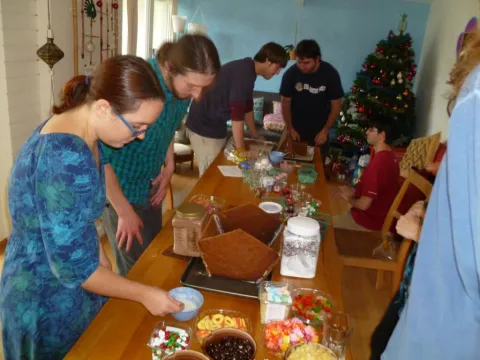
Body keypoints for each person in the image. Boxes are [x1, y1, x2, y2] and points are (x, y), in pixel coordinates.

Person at [0, 55, 185, 360]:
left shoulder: (87, 133)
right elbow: (75, 269)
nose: (141, 137)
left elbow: (80, 221)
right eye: (138, 126)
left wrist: (105, 265)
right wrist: (143, 293)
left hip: (72, 279)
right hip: (45, 297)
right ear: (103, 108)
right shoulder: (63, 161)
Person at [381, 30, 480, 359]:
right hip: (421, 301)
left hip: (442, 330)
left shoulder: (476, 99)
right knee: (381, 337)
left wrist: (423, 232)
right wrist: (428, 207)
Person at [102, 35, 220, 276]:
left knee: (154, 254)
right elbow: (98, 159)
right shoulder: (138, 84)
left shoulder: (180, 90)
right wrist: (124, 211)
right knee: (134, 270)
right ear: (168, 69)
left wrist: (169, 165)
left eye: (203, 87)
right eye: (191, 86)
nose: (197, 96)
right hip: (119, 189)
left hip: (150, 183)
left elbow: (168, 127)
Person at [186, 42, 289, 176]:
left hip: (215, 127)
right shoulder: (244, 73)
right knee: (209, 177)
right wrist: (242, 152)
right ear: (268, 61)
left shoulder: (248, 71)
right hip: (202, 128)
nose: (278, 72)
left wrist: (254, 134)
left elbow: (247, 107)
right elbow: (237, 116)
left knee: (219, 173)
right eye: (277, 67)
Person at [370, 200, 427, 360]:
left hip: (439, 306)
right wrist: (423, 206)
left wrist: (420, 234)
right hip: (411, 289)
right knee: (381, 341)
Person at [280, 39, 344, 162]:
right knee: (293, 165)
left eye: (307, 63)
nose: (302, 66)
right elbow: (285, 103)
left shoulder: (330, 74)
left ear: (317, 59)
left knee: (317, 167)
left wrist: (325, 130)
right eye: (299, 62)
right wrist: (290, 128)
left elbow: (336, 105)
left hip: (320, 131)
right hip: (296, 129)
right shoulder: (290, 74)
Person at [333, 117, 400, 231]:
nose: (366, 132)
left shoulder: (379, 163)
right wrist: (353, 192)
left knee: (320, 226)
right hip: (375, 218)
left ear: (382, 135)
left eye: (371, 130)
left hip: (366, 222)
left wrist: (349, 198)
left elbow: (364, 205)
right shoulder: (390, 156)